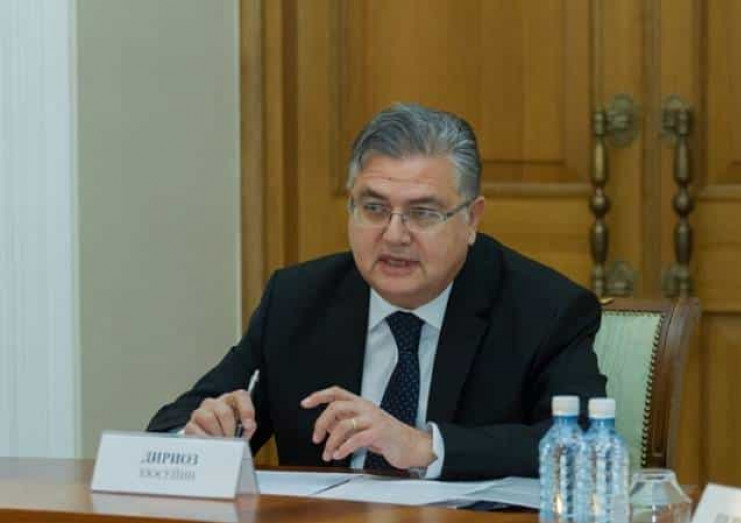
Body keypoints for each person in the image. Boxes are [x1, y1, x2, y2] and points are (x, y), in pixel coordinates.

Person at [147, 103, 606, 480]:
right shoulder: (298, 300)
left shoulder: (545, 309)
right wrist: (200, 435)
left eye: (423, 213)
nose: (394, 235)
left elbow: (583, 445)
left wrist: (425, 446)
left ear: (472, 219)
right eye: (373, 208)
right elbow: (169, 427)